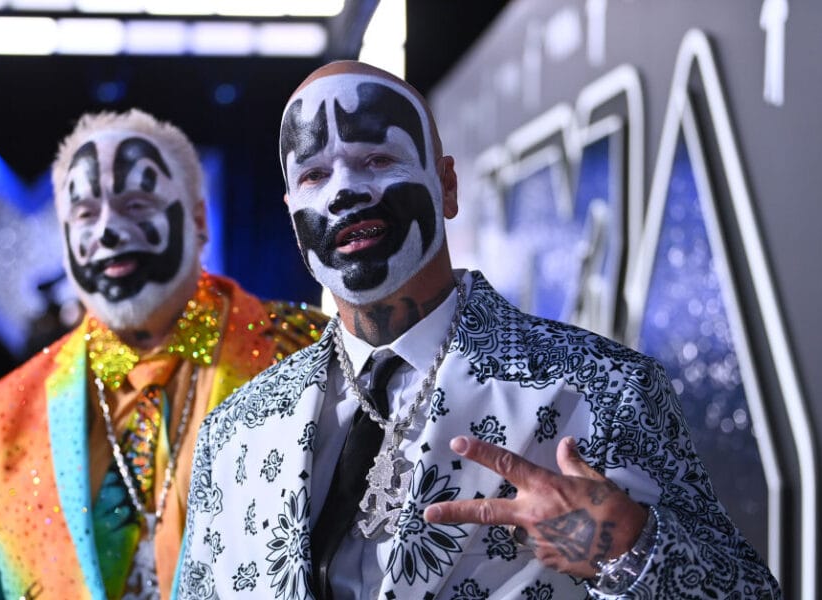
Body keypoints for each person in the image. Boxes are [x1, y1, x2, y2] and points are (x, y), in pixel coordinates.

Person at [177, 61, 782, 599]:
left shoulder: (604, 389)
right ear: (291, 210)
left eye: (377, 160)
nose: (344, 192)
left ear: (447, 185)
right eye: (313, 175)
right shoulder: (236, 431)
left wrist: (626, 549)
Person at [0, 108, 328, 600]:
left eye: (137, 203)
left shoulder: (308, 351)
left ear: (199, 219)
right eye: (84, 213)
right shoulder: (5, 413)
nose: (108, 231)